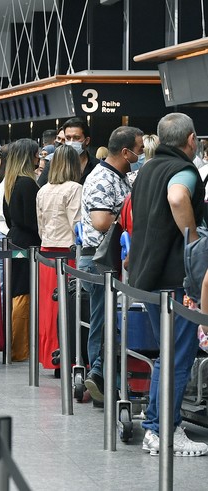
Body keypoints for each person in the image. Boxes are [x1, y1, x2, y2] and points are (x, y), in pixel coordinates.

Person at [128, 113, 208, 457]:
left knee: (167, 355)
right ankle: (163, 430)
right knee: (177, 356)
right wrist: (192, 242)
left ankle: (157, 427)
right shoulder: (184, 171)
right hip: (175, 279)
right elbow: (177, 198)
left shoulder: (146, 169)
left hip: (146, 275)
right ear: (191, 140)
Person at [79, 126, 142, 403]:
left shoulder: (120, 177)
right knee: (102, 320)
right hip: (98, 259)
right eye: (138, 149)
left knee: (107, 320)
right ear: (125, 151)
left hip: (110, 258)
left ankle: (102, 376)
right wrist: (126, 214)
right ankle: (98, 376)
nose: (140, 153)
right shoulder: (102, 179)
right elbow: (101, 221)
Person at [35, 144, 82, 371]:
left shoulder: (43, 189)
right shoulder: (75, 188)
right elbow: (78, 225)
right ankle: (68, 356)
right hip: (68, 255)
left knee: (48, 308)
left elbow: (41, 226)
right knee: (68, 307)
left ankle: (50, 356)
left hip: (46, 253)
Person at [2, 139, 42, 362]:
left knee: (15, 292)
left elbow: (9, 218)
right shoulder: (28, 184)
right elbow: (32, 220)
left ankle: (15, 345)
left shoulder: (11, 181)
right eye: (37, 154)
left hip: (14, 240)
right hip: (27, 244)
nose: (39, 158)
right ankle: (21, 348)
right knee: (24, 294)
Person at [39, 118, 99, 186]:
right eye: (68, 138)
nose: (71, 142)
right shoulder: (54, 164)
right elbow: (39, 190)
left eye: (76, 138)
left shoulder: (97, 166)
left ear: (87, 140)